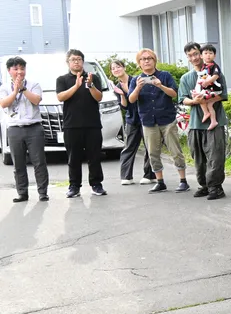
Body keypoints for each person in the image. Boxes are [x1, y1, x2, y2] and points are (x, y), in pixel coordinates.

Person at [129, 48, 189, 194]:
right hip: (148, 120)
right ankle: (160, 182)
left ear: (155, 60)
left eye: (149, 58)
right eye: (143, 59)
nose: (147, 61)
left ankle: (183, 181)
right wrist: (138, 88)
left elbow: (174, 94)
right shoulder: (136, 79)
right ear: (139, 63)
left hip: (167, 118)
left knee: (175, 150)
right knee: (153, 153)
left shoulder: (165, 75)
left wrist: (160, 85)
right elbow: (131, 99)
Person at [178, 43, 228, 199]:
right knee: (198, 157)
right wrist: (195, 101)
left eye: (196, 54)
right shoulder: (186, 78)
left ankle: (216, 187)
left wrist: (206, 97)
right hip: (195, 123)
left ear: (201, 54)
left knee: (215, 155)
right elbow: (182, 99)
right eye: (190, 55)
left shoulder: (215, 73)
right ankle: (204, 185)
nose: (194, 58)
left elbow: (223, 94)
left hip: (215, 122)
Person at [56, 49, 106, 198]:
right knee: (73, 157)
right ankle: (74, 186)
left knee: (94, 156)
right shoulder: (62, 79)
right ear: (68, 62)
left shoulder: (93, 77)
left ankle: (96, 184)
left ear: (83, 61)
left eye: (79, 59)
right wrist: (76, 86)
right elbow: (60, 97)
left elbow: (99, 97)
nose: (76, 62)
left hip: (92, 124)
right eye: (73, 59)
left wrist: (90, 85)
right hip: (72, 125)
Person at [1, 56, 48, 202]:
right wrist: (15, 91)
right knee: (18, 163)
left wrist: (23, 89)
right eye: (16, 69)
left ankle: (42, 193)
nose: (19, 72)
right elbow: (3, 104)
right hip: (15, 128)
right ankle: (22, 193)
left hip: (34, 128)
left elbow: (36, 100)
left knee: (39, 162)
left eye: (22, 68)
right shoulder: (4, 88)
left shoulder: (34, 84)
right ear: (9, 71)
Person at [110, 59, 154, 186]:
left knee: (149, 146)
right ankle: (126, 176)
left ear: (124, 67)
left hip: (145, 117)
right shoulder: (117, 87)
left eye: (118, 67)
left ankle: (149, 175)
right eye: (113, 68)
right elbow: (124, 106)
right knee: (129, 147)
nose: (116, 70)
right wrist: (122, 95)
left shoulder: (136, 80)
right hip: (131, 119)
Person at [191, 44, 224, 131]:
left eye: (210, 53)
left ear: (215, 55)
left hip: (215, 89)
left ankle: (206, 113)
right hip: (209, 89)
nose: (208, 55)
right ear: (201, 55)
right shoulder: (204, 67)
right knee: (209, 104)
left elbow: (216, 76)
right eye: (205, 53)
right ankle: (213, 120)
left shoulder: (214, 66)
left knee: (201, 98)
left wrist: (207, 82)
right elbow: (203, 77)